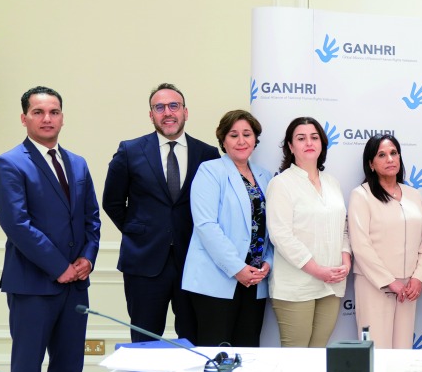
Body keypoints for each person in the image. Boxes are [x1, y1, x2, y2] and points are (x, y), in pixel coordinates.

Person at [0, 86, 100, 372]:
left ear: (62, 118)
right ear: (24, 118)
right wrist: (58, 267)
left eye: (53, 112)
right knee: (26, 371)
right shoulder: (9, 163)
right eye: (38, 112)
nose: (47, 118)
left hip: (76, 285)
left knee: (69, 368)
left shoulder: (77, 163)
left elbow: (92, 219)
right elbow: (17, 224)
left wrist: (87, 260)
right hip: (32, 285)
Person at [102, 83, 220, 343]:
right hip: (143, 262)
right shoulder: (130, 150)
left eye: (173, 106)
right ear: (151, 114)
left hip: (193, 261)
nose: (167, 112)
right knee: (145, 336)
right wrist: (138, 231)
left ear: (185, 112)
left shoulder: (208, 154)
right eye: (160, 107)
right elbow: (111, 202)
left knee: (193, 336)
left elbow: (214, 207)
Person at [182, 110, 274, 347]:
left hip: (254, 281)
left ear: (255, 139)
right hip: (217, 280)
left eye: (247, 134)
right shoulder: (210, 171)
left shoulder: (265, 176)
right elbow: (206, 225)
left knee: (249, 352)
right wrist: (237, 268)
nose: (241, 141)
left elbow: (269, 226)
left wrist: (268, 262)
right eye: (234, 135)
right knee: (216, 353)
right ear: (223, 140)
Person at [266, 117, 351, 347]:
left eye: (314, 137)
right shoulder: (281, 184)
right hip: (296, 285)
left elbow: (342, 228)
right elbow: (280, 235)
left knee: (318, 354)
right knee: (296, 358)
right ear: (291, 147)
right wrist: (317, 270)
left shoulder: (332, 182)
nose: (308, 142)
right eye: (301, 138)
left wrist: (345, 260)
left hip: (331, 283)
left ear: (322, 143)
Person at [348, 134, 422, 349]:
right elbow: (360, 245)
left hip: (408, 289)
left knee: (403, 351)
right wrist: (389, 281)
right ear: (371, 164)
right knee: (377, 350)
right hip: (375, 286)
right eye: (382, 155)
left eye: (394, 153)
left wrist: (419, 278)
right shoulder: (361, 195)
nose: (390, 159)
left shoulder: (414, 195)